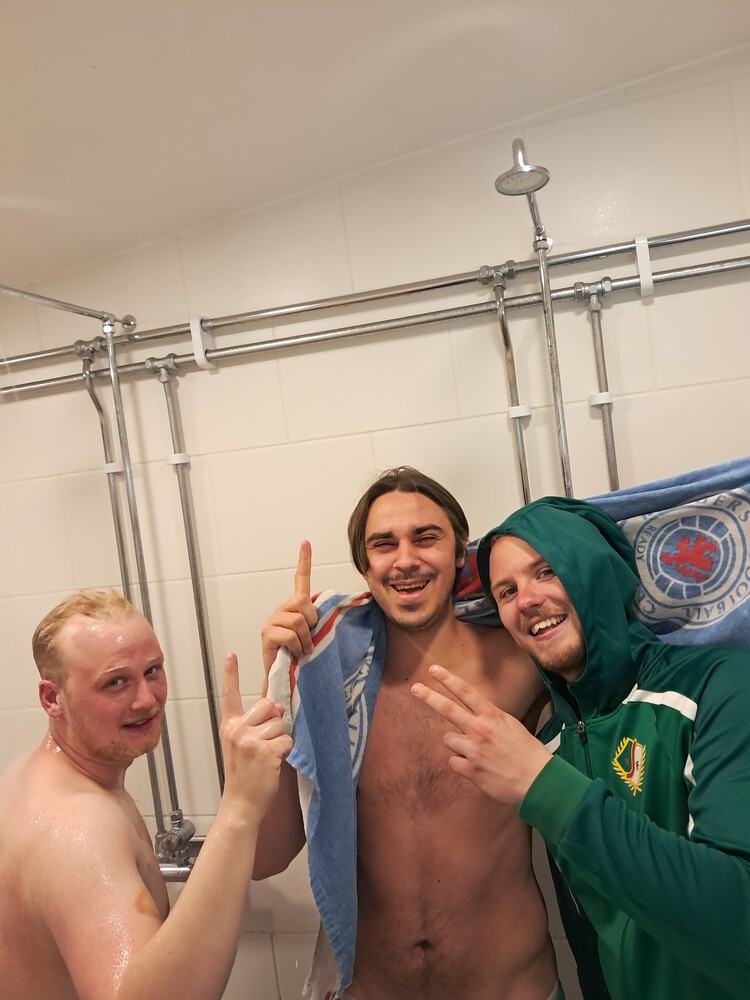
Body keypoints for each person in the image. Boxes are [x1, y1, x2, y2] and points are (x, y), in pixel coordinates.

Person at [411, 495, 750, 1000]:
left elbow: (739, 922)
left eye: (547, 570)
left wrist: (546, 788)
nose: (526, 600)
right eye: (506, 591)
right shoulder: (548, 747)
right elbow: (591, 939)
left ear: (597, 573)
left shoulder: (720, 687)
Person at [256, 467, 562, 1000]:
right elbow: (266, 858)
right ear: (365, 566)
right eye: (383, 544)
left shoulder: (520, 664)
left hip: (513, 987)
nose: (405, 560)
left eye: (425, 537)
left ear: (460, 551)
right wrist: (281, 683)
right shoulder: (333, 687)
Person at [0, 588, 292, 1000]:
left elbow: (266, 858)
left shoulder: (38, 779)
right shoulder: (77, 826)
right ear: (52, 699)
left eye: (152, 670)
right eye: (115, 682)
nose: (147, 699)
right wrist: (238, 806)